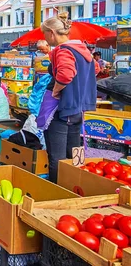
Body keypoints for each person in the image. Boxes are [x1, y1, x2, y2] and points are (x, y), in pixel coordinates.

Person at [41, 12, 99, 182]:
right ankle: (76, 186)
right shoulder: (83, 50)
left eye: (45, 34)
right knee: (74, 154)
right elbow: (94, 69)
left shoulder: (63, 50)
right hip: (78, 110)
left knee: (56, 158)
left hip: (62, 109)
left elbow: (66, 74)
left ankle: (56, 193)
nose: (45, 38)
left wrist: (56, 90)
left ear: (51, 32)